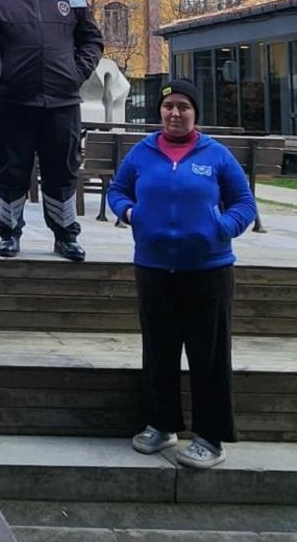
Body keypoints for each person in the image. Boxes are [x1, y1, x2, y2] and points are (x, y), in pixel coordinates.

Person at [107, 80, 256, 470]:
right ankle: (161, 424)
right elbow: (117, 191)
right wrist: (130, 213)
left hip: (209, 271)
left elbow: (244, 202)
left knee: (209, 356)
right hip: (154, 268)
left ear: (195, 113)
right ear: (160, 111)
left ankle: (210, 437)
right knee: (159, 351)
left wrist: (222, 227)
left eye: (183, 107)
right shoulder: (142, 152)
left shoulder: (216, 154)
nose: (175, 113)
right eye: (168, 106)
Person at [0, 0, 103, 262]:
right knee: (10, 171)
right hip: (13, 103)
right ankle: (9, 233)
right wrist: (1, 77)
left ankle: (65, 236)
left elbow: (92, 40)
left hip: (62, 103)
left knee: (62, 171)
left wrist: (76, 73)